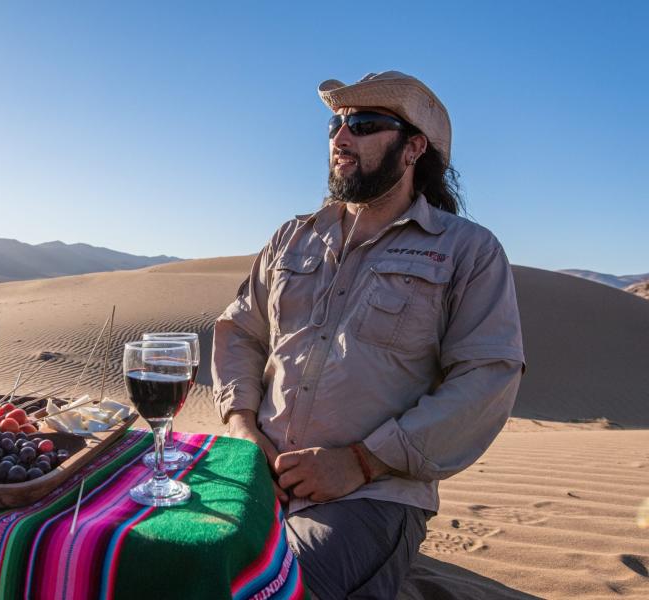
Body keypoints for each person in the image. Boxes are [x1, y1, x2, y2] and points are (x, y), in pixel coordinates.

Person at [211, 71, 525, 599]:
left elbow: (487, 378)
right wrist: (242, 426)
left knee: (276, 590)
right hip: (256, 474)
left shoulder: (467, 251)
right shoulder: (293, 237)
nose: (340, 137)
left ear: (413, 148)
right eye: (335, 125)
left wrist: (362, 461)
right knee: (152, 558)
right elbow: (241, 330)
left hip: (370, 495)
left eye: (363, 124)